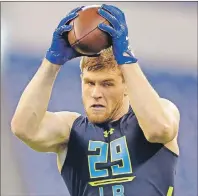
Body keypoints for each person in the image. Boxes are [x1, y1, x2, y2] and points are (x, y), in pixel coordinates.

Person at [11, 4, 180, 196]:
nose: (96, 93)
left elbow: (160, 129)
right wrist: (52, 62)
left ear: (127, 86)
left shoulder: (162, 111)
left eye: (107, 84)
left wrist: (126, 59)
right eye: (90, 83)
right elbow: (23, 128)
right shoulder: (70, 131)